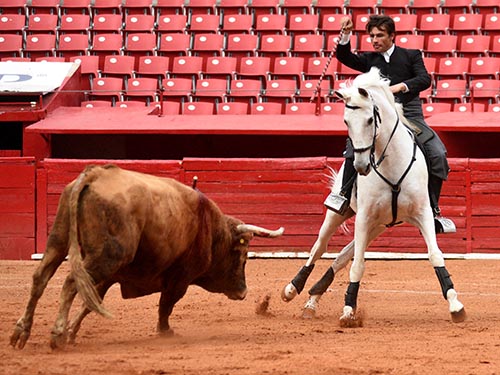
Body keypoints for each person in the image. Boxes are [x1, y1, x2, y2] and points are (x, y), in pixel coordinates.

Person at [325, 14, 455, 233]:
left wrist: (400, 87)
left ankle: (433, 209)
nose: (375, 40)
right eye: (371, 36)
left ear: (392, 36)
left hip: (410, 116)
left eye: (380, 36)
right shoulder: (370, 59)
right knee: (354, 148)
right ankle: (343, 195)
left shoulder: (411, 55)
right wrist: (346, 34)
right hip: (380, 119)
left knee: (437, 154)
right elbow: (345, 57)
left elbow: (424, 79)